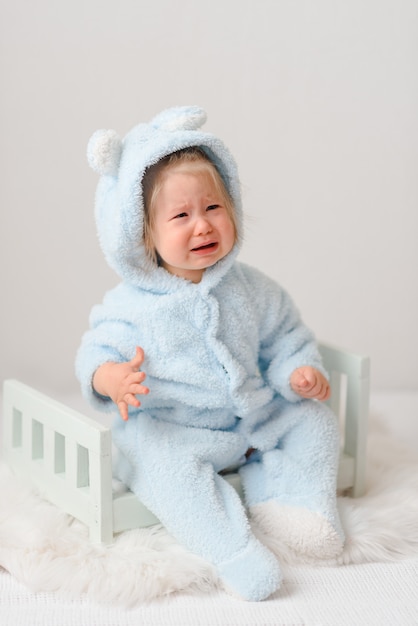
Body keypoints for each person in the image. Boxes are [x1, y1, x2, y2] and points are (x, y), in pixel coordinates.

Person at [76, 106, 344, 602]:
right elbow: (94, 353)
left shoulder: (252, 289)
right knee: (157, 462)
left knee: (315, 420)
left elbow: (285, 335)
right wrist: (110, 378)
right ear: (141, 235)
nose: (202, 226)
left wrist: (297, 371)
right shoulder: (130, 308)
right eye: (181, 216)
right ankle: (233, 551)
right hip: (175, 427)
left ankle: (297, 508)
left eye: (213, 208)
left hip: (251, 419)